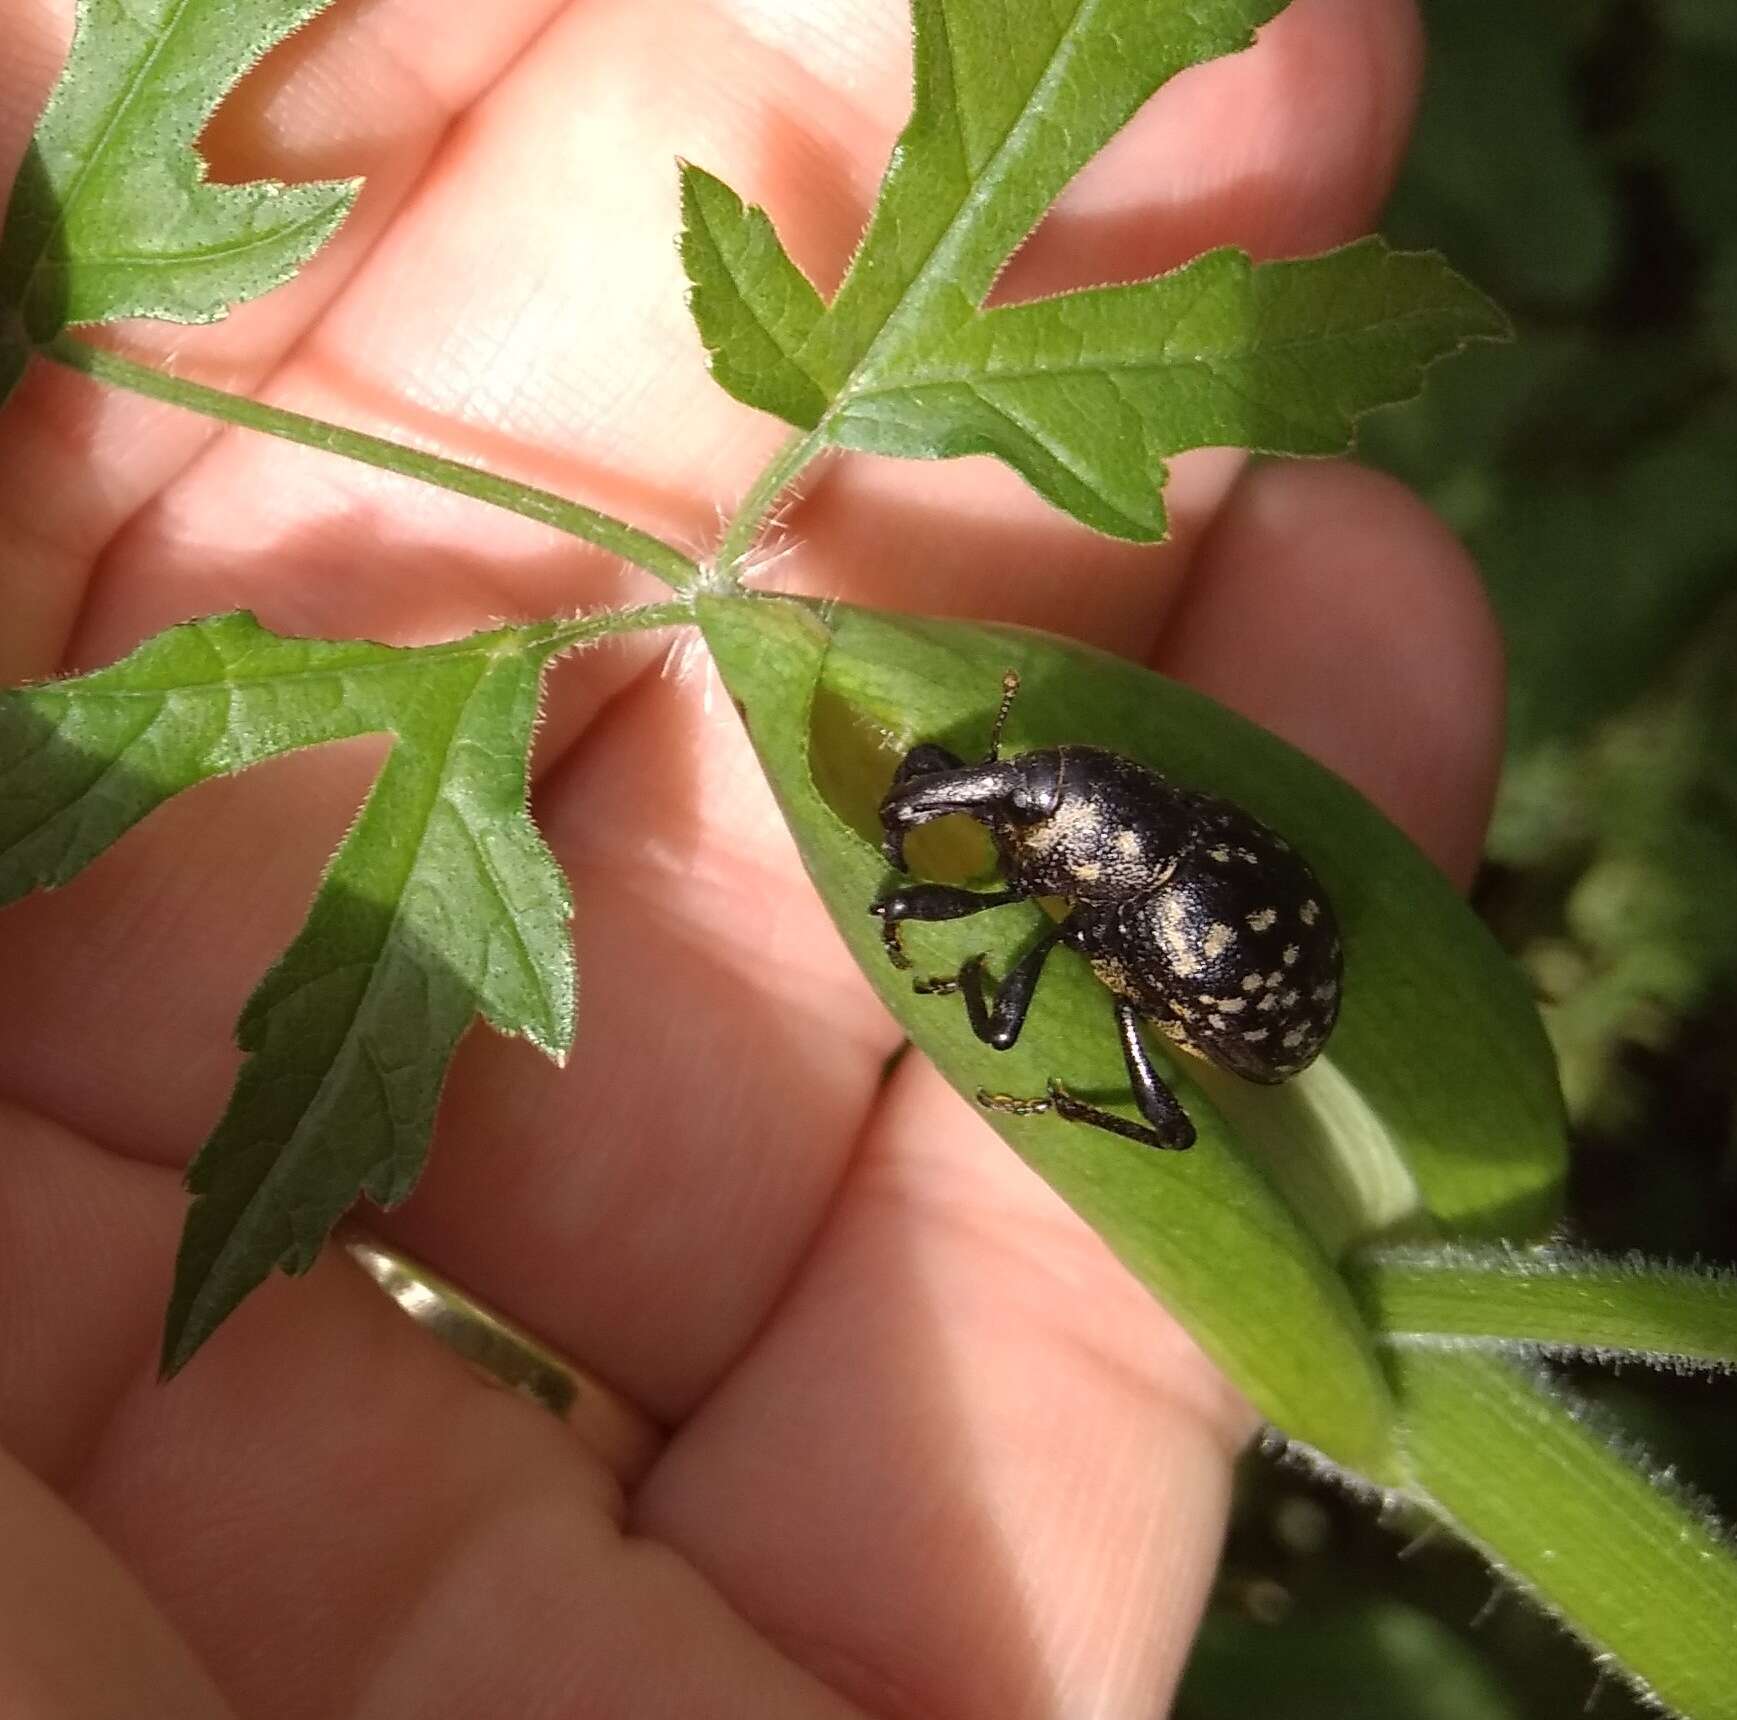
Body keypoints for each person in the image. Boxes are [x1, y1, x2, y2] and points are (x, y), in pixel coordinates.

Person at [0, 0, 1502, 1713]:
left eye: (1030, 802)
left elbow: (1099, 871)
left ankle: (1077, 1085)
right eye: (1035, 787)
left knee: (1087, 1031)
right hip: (1202, 913)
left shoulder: (1116, 869)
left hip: (1237, 988)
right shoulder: (1120, 822)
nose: (1016, 799)